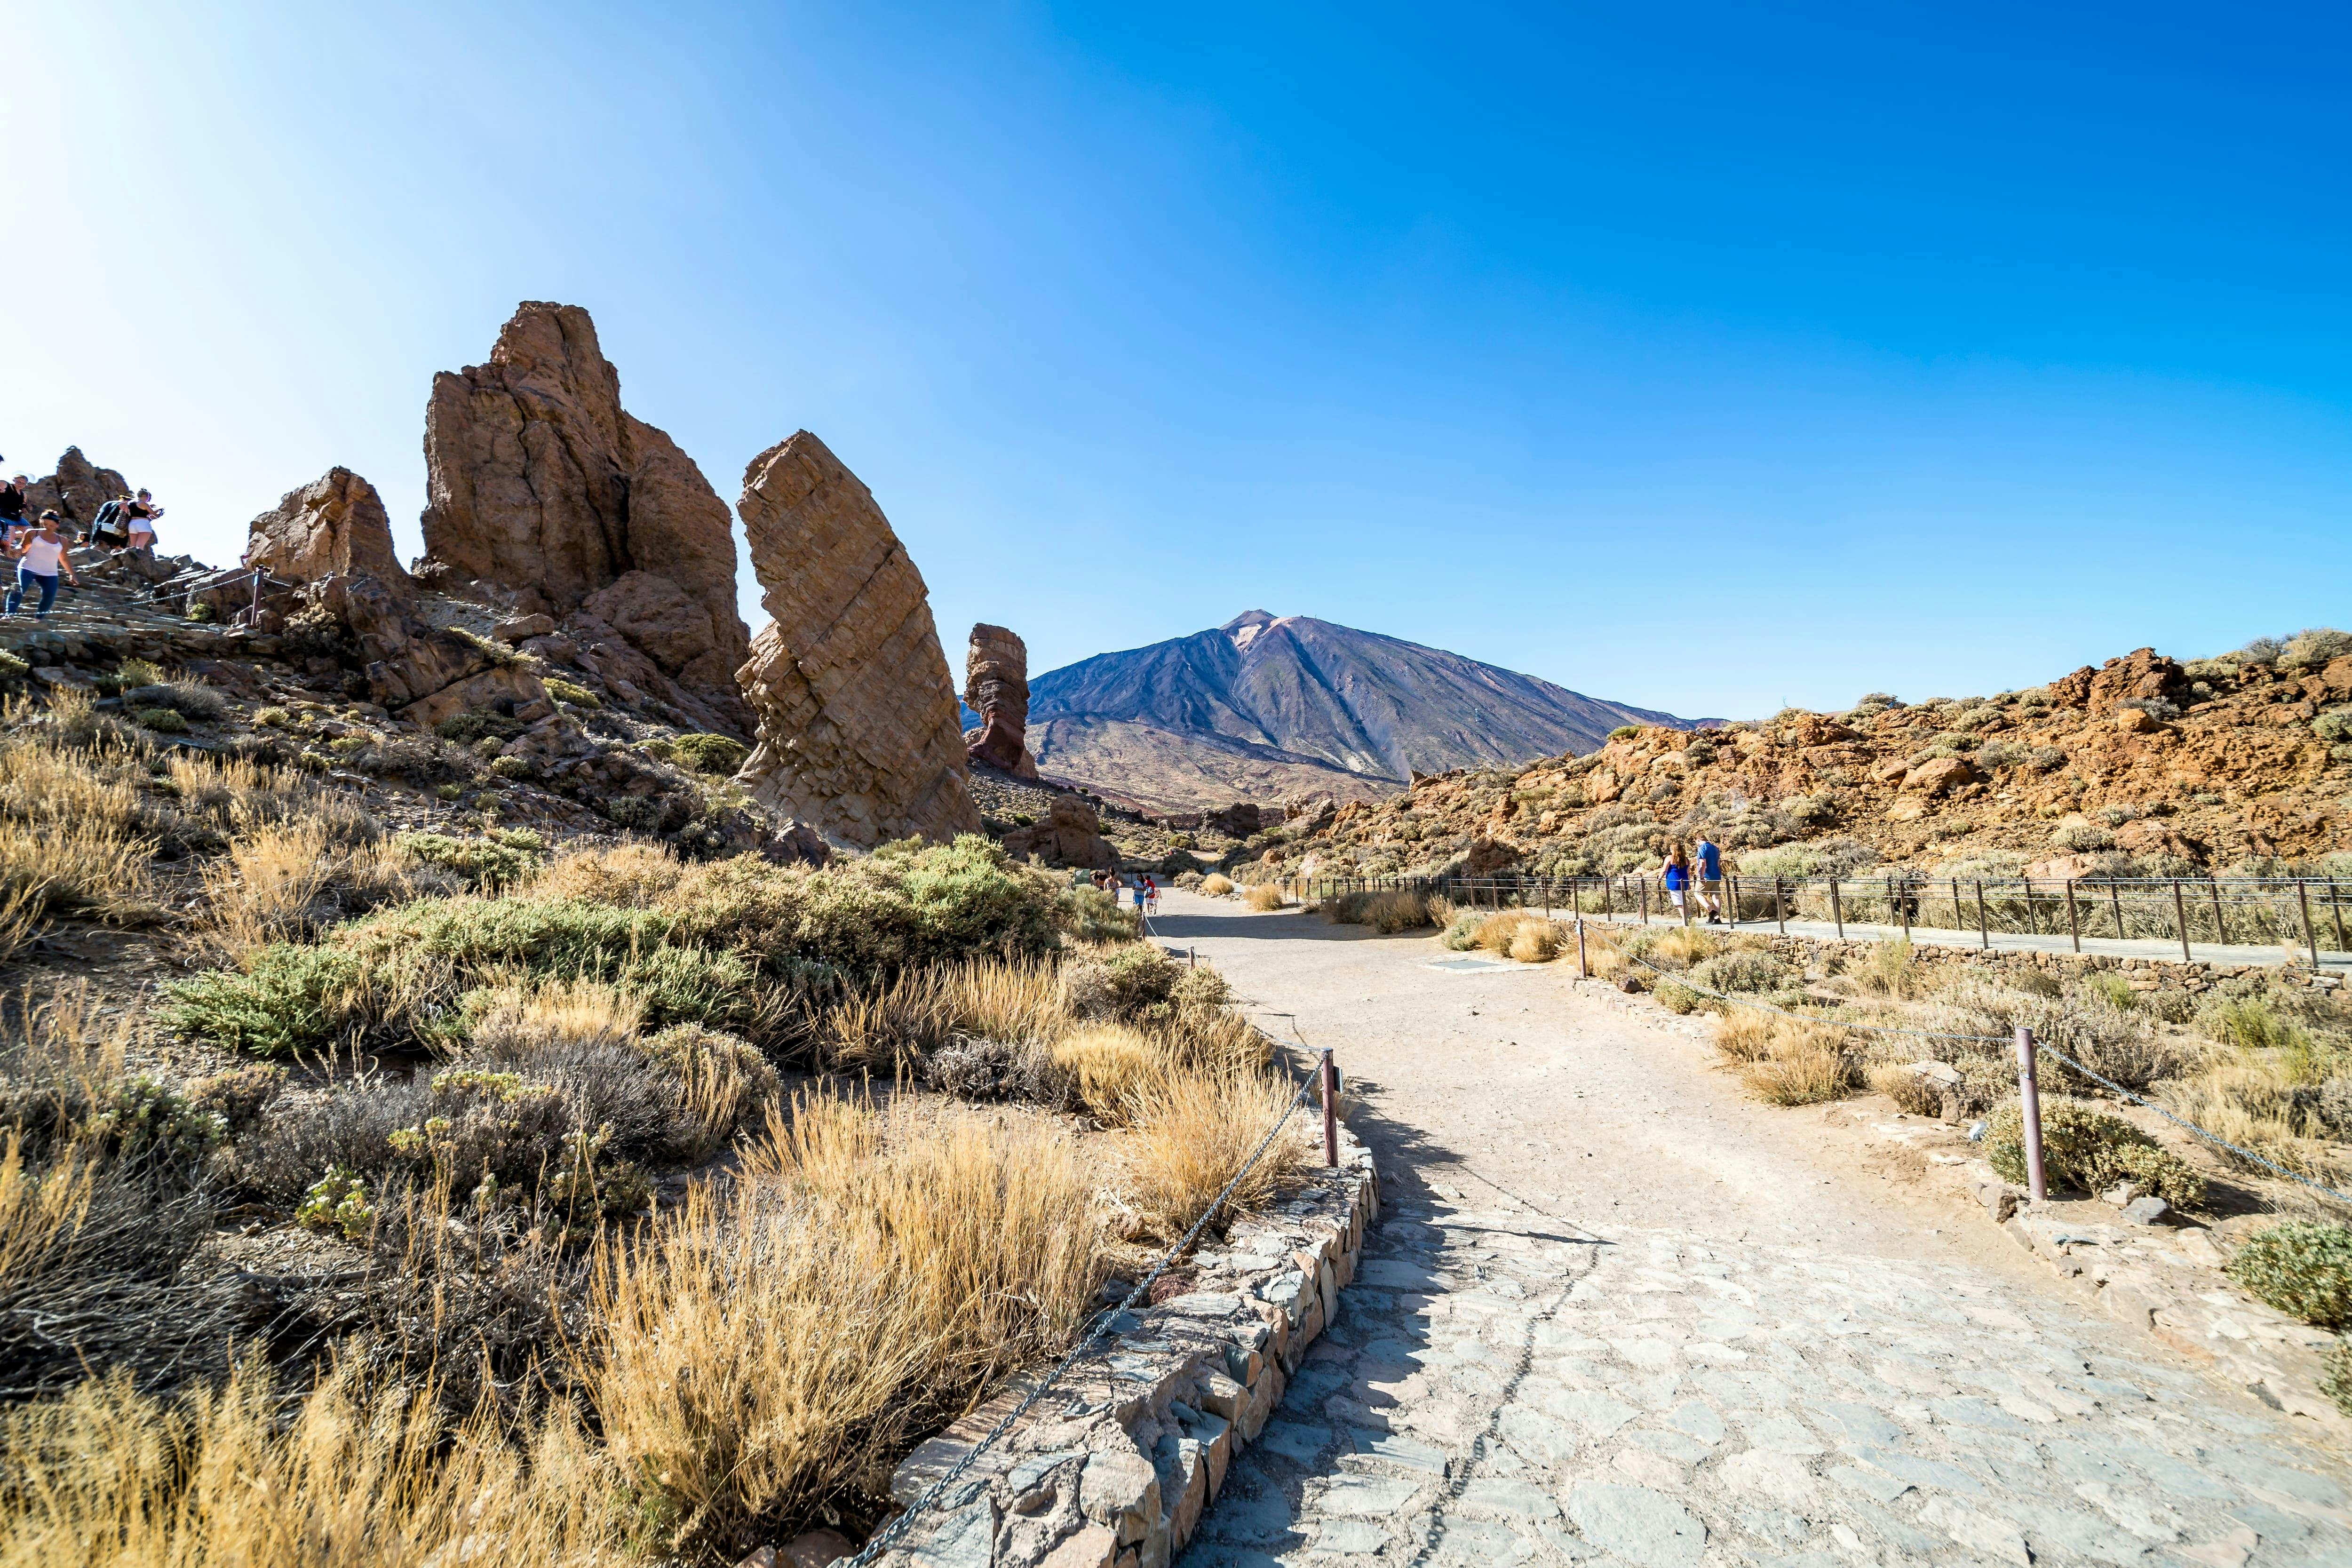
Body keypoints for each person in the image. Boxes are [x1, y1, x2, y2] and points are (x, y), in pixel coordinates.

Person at [5, 511, 79, 619]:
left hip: (49, 572)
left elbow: (63, 558)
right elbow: (23, 548)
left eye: (52, 525)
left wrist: (72, 574)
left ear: (57, 525)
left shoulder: (62, 540)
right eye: (46, 524)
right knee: (19, 589)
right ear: (42, 523)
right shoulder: (32, 533)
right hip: (27, 567)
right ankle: (9, 614)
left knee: (50, 595)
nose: (48, 527)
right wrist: (16, 550)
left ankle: (39, 619)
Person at [1694, 833, 1725, 923]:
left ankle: (1712, 912)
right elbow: (1718, 862)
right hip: (1716, 875)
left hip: (1707, 876)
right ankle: (1717, 918)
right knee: (1716, 896)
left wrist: (1702, 876)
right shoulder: (1715, 848)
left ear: (1698, 840)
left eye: (1696, 842)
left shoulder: (1702, 848)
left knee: (1698, 893)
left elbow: (1703, 863)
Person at [124, 489, 163, 554]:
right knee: (140, 546)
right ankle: (138, 561)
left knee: (132, 545)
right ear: (144, 496)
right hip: (142, 524)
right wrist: (160, 512)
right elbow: (155, 515)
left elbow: (139, 511)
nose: (148, 500)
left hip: (132, 524)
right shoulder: (144, 504)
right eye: (148, 498)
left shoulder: (131, 504)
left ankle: (130, 557)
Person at [1661, 842, 1692, 922]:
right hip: (1684, 881)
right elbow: (1688, 873)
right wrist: (1689, 883)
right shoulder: (1686, 860)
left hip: (1674, 882)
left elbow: (1664, 870)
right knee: (1683, 900)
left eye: (1671, 849)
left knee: (1678, 902)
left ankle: (1685, 920)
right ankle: (1688, 915)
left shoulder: (1670, 858)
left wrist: (1659, 878)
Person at [0, 475, 27, 547]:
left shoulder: (24, 494)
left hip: (16, 516)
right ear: (14, 480)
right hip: (3, 515)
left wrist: (24, 509)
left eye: (23, 483)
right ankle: (5, 549)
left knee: (30, 531)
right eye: (18, 482)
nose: (21, 484)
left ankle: (13, 536)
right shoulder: (7, 487)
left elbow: (23, 504)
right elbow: (2, 484)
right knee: (11, 533)